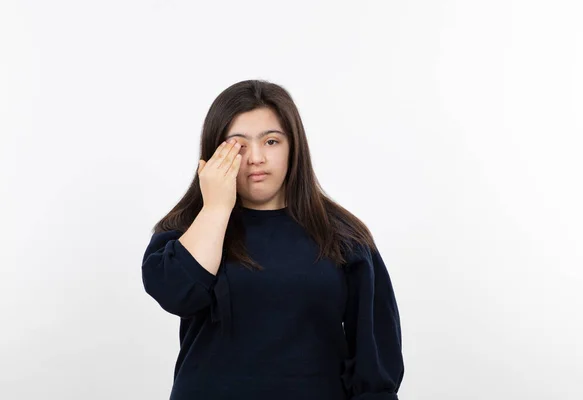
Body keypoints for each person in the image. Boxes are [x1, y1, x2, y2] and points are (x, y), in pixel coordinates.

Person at [141, 79, 404, 399]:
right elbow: (176, 295)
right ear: (215, 153)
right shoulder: (186, 230)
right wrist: (215, 210)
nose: (256, 157)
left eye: (271, 142)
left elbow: (375, 362)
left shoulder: (343, 236)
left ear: (294, 147)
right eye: (238, 144)